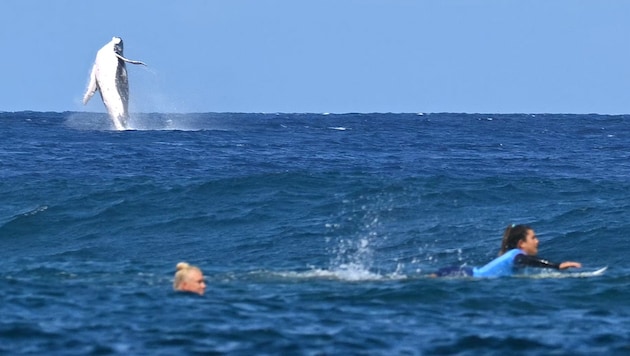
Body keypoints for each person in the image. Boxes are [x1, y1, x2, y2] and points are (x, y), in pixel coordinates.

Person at [434, 224, 582, 277]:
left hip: (462, 272)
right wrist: (556, 266)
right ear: (521, 243)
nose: (537, 241)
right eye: (533, 238)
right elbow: (527, 261)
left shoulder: (512, 255)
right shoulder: (517, 255)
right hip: (461, 274)